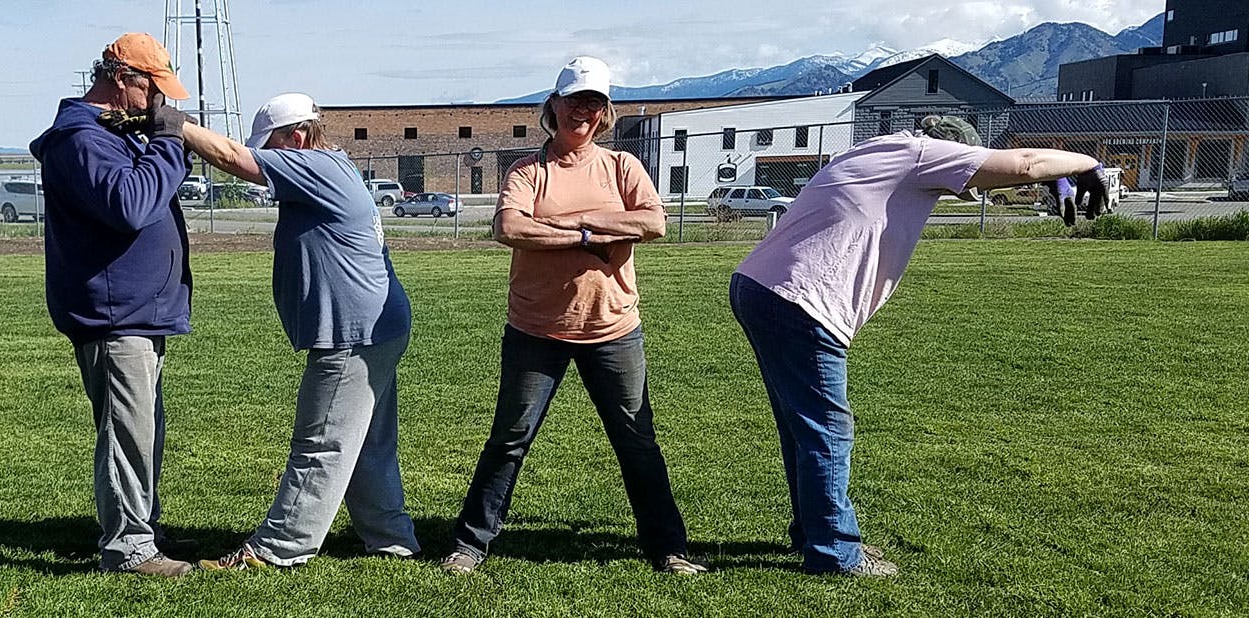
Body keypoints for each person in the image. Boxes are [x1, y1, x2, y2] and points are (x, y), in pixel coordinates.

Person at [730, 116, 1106, 576]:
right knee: (827, 429)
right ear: (950, 151)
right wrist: (1088, 164)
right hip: (798, 300)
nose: (965, 187)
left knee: (804, 426)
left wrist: (1061, 174)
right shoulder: (921, 154)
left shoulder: (880, 152)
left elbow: (1014, 173)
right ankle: (835, 554)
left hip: (763, 288)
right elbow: (1023, 165)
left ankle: (814, 534)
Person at [441, 57, 708, 576]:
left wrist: (569, 223)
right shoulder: (528, 170)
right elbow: (511, 230)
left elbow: (653, 222)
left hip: (612, 328)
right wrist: (596, 235)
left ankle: (668, 548)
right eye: (573, 101)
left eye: (594, 102)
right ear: (553, 106)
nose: (582, 112)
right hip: (535, 329)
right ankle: (470, 544)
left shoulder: (622, 167)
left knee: (637, 440)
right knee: (509, 438)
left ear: (605, 112)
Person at [176, 94, 421, 571]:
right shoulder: (334, 166)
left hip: (353, 333)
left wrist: (177, 125)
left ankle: (277, 548)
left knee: (322, 440)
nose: (268, 157)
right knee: (366, 441)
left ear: (298, 137)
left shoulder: (315, 166)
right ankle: (392, 538)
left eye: (272, 145)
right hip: (377, 327)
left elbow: (233, 159)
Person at [27, 33, 198, 578]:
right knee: (127, 433)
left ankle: (141, 524)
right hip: (114, 315)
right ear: (122, 78)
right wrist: (170, 144)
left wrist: (161, 144)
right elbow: (129, 205)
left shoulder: (110, 132)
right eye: (154, 90)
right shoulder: (80, 139)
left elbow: (147, 188)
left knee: (139, 428)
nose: (160, 103)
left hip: (138, 310)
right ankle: (129, 547)